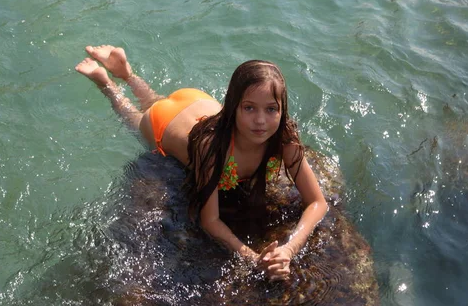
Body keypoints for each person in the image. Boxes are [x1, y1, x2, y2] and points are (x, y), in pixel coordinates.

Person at [75, 45, 328, 281]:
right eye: (249, 108)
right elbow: (211, 221)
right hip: (164, 122)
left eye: (271, 109)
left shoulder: (286, 140)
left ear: (283, 110)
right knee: (135, 119)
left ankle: (127, 73)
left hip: (197, 100)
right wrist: (254, 259)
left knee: (154, 98)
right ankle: (106, 81)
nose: (261, 120)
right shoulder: (213, 150)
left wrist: (290, 248)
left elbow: (318, 202)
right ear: (233, 107)